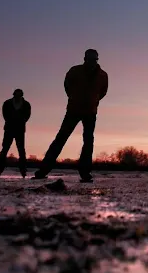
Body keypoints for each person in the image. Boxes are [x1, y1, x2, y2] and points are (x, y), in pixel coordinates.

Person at [33, 49, 108, 182]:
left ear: (96, 60)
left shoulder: (103, 75)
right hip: (73, 110)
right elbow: (67, 86)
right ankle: (43, 170)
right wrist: (74, 98)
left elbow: (103, 92)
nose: (91, 61)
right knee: (61, 138)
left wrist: (93, 101)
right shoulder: (74, 71)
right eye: (88, 59)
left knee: (88, 142)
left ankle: (85, 172)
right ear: (85, 59)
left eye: (93, 59)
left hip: (90, 112)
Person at [0, 89, 31, 177]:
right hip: (9, 129)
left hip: (19, 129)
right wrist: (11, 121)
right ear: (14, 94)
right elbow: (5, 114)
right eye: (16, 94)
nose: (18, 96)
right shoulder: (7, 103)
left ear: (22, 95)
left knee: (21, 151)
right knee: (5, 149)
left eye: (19, 94)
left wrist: (21, 121)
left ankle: (23, 171)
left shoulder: (26, 104)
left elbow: (27, 116)